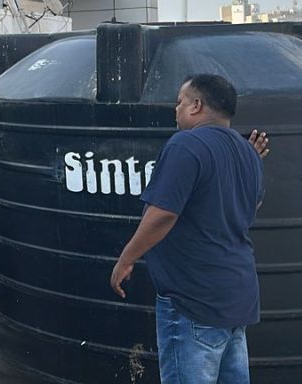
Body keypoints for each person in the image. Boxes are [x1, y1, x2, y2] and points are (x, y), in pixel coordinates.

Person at [110, 74, 271, 383]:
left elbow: (163, 214)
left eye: (180, 102)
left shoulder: (187, 144)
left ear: (197, 105)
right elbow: (249, 211)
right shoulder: (248, 153)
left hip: (192, 300)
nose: (176, 109)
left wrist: (127, 258)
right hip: (236, 297)